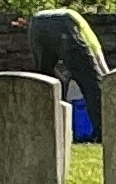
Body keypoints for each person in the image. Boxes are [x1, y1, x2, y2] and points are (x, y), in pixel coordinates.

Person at [27, 8, 109, 141]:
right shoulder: (91, 39)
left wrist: (64, 80)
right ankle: (102, 132)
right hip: (64, 21)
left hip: (36, 22)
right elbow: (100, 66)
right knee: (91, 83)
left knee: (45, 82)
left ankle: (46, 131)